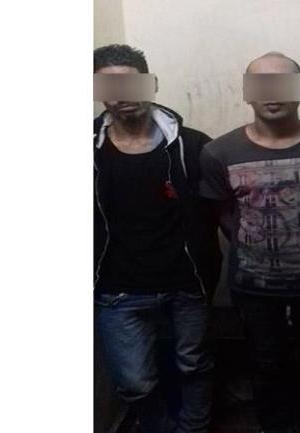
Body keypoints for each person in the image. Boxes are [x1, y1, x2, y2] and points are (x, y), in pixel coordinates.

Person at [199, 52, 300, 433]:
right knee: (264, 360)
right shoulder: (219, 152)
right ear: (247, 92)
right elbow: (223, 213)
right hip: (253, 282)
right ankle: (274, 424)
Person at [93, 44, 221, 433]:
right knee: (135, 382)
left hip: (187, 282)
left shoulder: (192, 145)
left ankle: (194, 427)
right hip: (118, 288)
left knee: (193, 365)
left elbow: (216, 210)